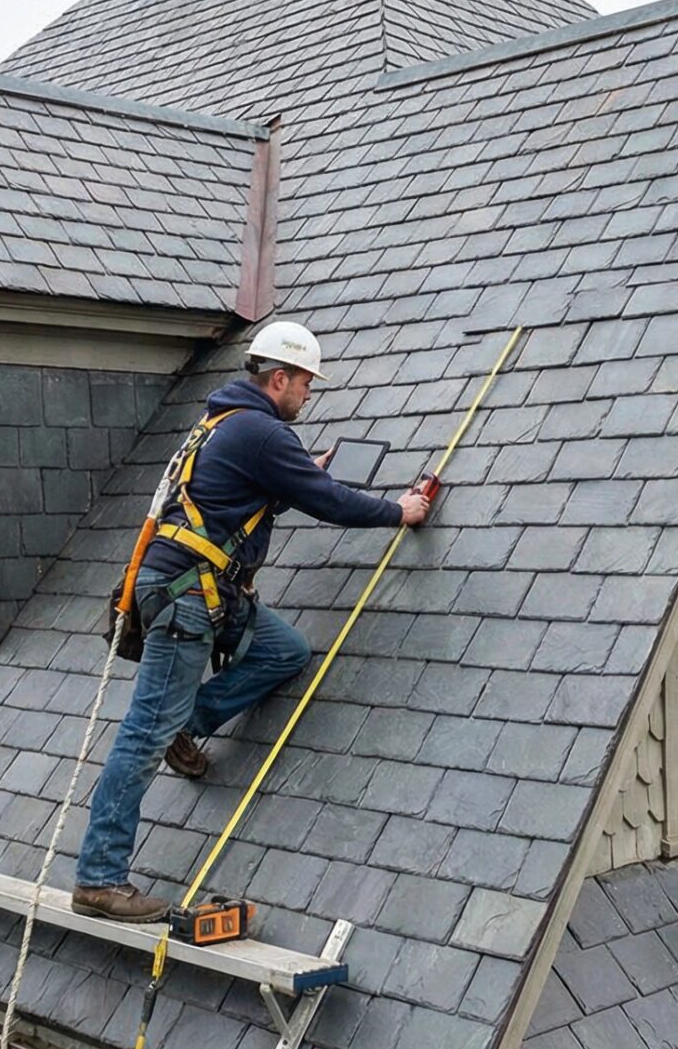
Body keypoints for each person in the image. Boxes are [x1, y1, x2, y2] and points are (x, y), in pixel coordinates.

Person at [73, 320, 431, 922]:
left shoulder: (223, 422)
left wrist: (301, 468)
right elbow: (329, 502)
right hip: (190, 597)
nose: (309, 394)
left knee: (284, 651)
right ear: (280, 378)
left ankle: (187, 724)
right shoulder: (261, 432)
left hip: (198, 590)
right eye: (306, 383)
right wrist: (399, 511)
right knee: (142, 735)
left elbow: (239, 493)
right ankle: (99, 878)